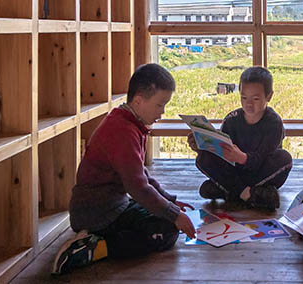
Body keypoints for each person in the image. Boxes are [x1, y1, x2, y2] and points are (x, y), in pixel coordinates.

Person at [51, 63, 196, 275]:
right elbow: (137, 187)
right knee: (165, 231)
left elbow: (142, 176)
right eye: (160, 105)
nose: (162, 112)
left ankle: (95, 239)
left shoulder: (128, 122)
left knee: (166, 219)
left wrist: (170, 202)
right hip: (98, 213)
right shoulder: (123, 131)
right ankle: (95, 248)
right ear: (138, 100)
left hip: (113, 205)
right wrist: (174, 215)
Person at [190, 66, 292, 210]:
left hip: (261, 172)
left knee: (284, 158)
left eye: (256, 98)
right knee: (202, 158)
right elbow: (221, 152)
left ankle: (228, 190)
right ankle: (253, 194)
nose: (248, 104)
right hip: (235, 171)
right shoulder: (232, 119)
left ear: (269, 96)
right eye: (244, 98)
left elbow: (262, 158)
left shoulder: (274, 122)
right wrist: (202, 145)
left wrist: (242, 158)